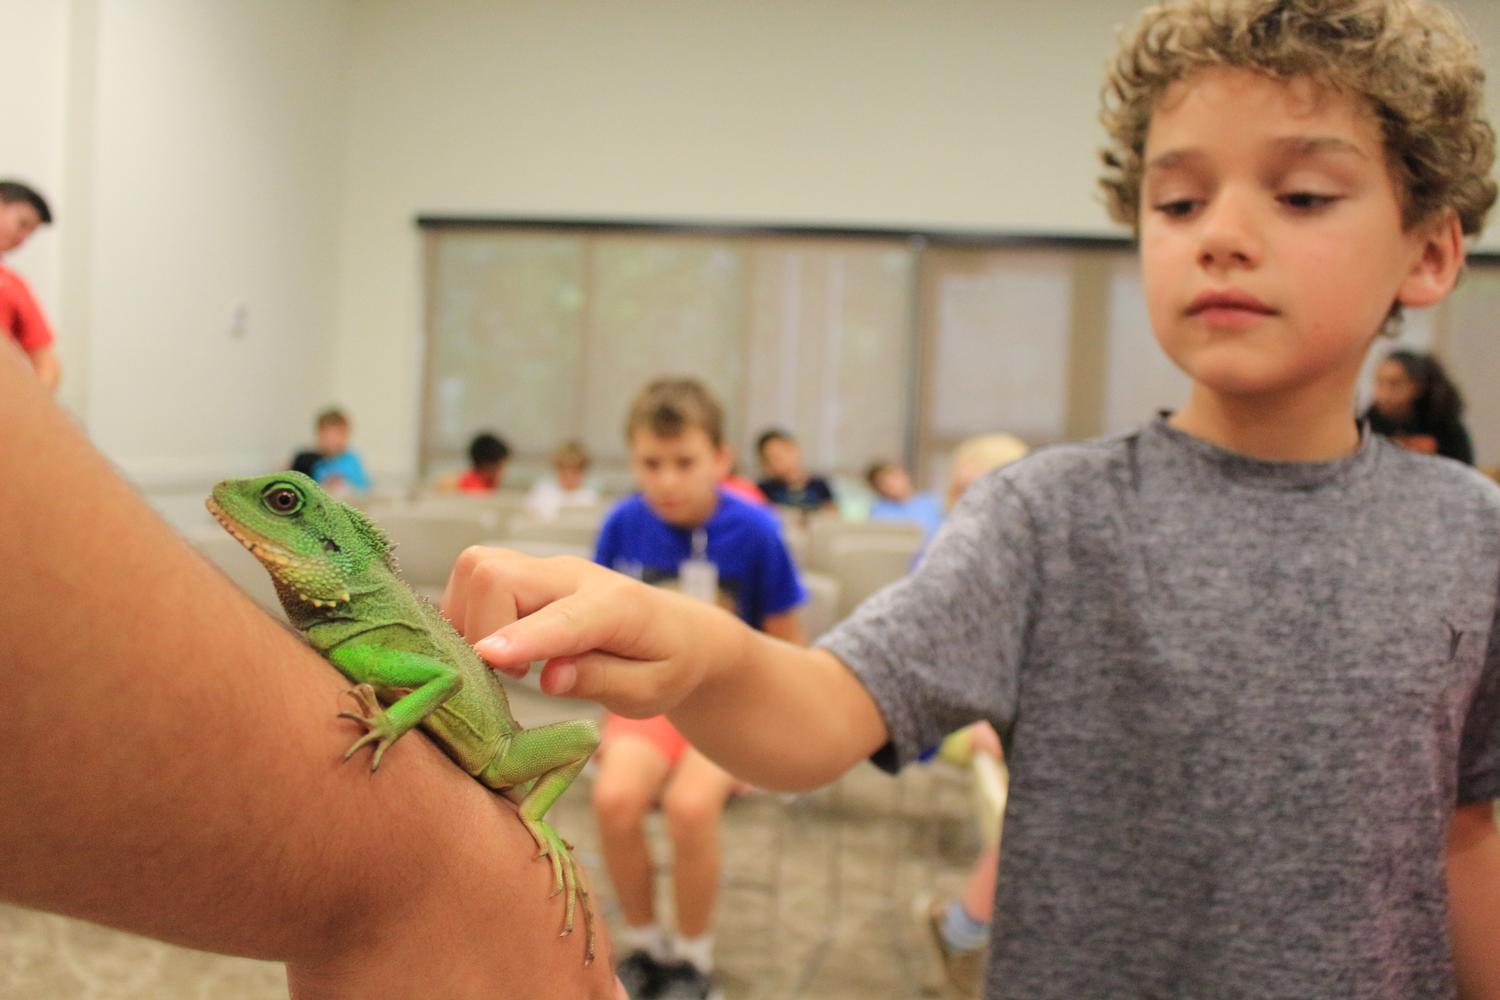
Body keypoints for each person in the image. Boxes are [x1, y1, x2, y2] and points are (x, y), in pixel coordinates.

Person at [441, 2, 1500, 997]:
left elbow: (1466, 832)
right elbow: (825, 716)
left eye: (1303, 194)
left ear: (1431, 248)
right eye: (1179, 200)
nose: (1220, 232)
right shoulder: (1045, 518)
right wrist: (696, 645)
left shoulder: (1471, 537)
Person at [0, 348, 623, 1000]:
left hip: (500, 753)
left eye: (280, 502)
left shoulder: (363, 647)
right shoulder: (343, 627)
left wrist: (401, 733)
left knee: (579, 734)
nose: (248, 503)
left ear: (330, 549)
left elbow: (439, 680)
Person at [588, 378, 805, 1000]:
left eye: (685, 463)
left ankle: (692, 959)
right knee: (615, 801)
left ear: (721, 459)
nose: (667, 480)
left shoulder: (757, 533)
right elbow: (598, 628)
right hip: (650, 705)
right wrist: (613, 717)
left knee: (689, 809)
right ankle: (646, 944)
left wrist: (767, 742)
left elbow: (789, 647)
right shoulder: (623, 525)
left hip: (733, 709)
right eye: (650, 464)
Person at [909, 433, 1029, 997]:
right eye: (964, 488)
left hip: (1005, 715)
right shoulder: (938, 560)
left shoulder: (1025, 560)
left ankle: (967, 924)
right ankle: (963, 930)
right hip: (947, 716)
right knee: (1025, 813)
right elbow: (920, 666)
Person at [0, 180, 61, 391]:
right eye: (22, 224)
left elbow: (46, 361)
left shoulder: (12, 285)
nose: (23, 238)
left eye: (30, 233)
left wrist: (34, 406)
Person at [1364, 349, 1475, 463]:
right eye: (1380, 382)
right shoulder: (1367, 424)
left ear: (1417, 386)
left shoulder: (1444, 426)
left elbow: (1464, 470)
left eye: (1395, 384)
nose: (1384, 393)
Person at [754, 429, 836, 513]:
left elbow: (832, 514)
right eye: (768, 459)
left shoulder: (819, 485)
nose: (774, 463)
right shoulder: (764, 490)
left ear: (794, 450)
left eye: (778, 456)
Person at [865, 460, 944, 539]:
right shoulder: (879, 512)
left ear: (904, 475)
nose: (893, 484)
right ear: (878, 488)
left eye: (895, 477)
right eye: (885, 482)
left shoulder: (931, 502)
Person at [527, 439, 599, 518]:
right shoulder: (542, 493)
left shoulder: (590, 497)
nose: (569, 475)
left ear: (583, 471)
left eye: (575, 471)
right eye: (564, 469)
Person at [309, 407, 371, 496]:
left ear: (346, 436)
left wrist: (346, 484)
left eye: (339, 435)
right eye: (328, 436)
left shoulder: (352, 460)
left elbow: (364, 487)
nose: (333, 441)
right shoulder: (315, 461)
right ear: (319, 437)